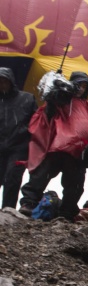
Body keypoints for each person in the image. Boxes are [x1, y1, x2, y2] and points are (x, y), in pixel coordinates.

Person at [19, 71, 88, 221]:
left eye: (85, 86)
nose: (82, 89)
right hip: (57, 147)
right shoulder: (62, 100)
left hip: (78, 152)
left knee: (75, 185)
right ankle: (29, 203)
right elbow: (48, 112)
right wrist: (55, 91)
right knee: (41, 175)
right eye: (79, 85)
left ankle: (67, 212)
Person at [0, 67, 36, 210]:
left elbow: (38, 122)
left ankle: (7, 211)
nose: (2, 84)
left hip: (19, 147)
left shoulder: (27, 98)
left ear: (11, 81)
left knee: (13, 179)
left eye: (5, 81)